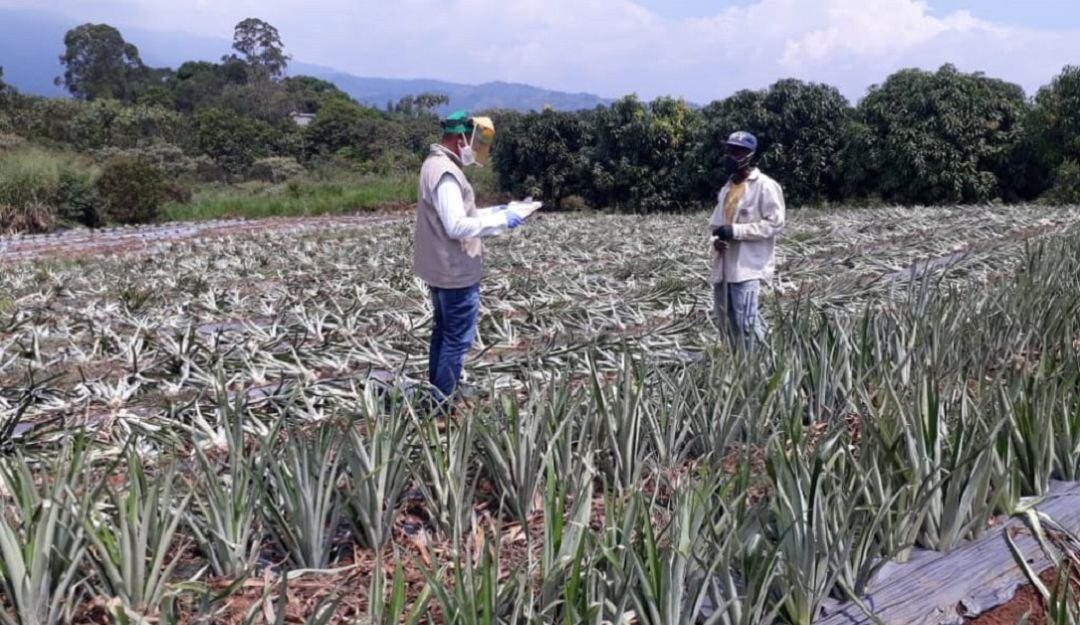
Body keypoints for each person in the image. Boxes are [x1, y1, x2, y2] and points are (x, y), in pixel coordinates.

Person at [413, 111, 527, 410]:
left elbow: (460, 215)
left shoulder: (434, 165)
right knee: (455, 340)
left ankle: (436, 393)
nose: (475, 150)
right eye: (475, 142)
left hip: (440, 269)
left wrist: (497, 211)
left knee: (443, 333)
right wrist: (501, 222)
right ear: (460, 137)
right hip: (455, 272)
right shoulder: (447, 173)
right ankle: (442, 402)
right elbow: (457, 226)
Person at [708, 131, 785, 349]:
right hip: (724, 267)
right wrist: (716, 240)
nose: (731, 155)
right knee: (727, 321)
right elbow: (715, 225)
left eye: (737, 151)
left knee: (746, 322)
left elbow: (775, 223)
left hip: (747, 268)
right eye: (730, 150)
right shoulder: (727, 188)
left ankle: (759, 368)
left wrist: (736, 231)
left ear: (749, 154)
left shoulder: (765, 186)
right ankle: (739, 365)